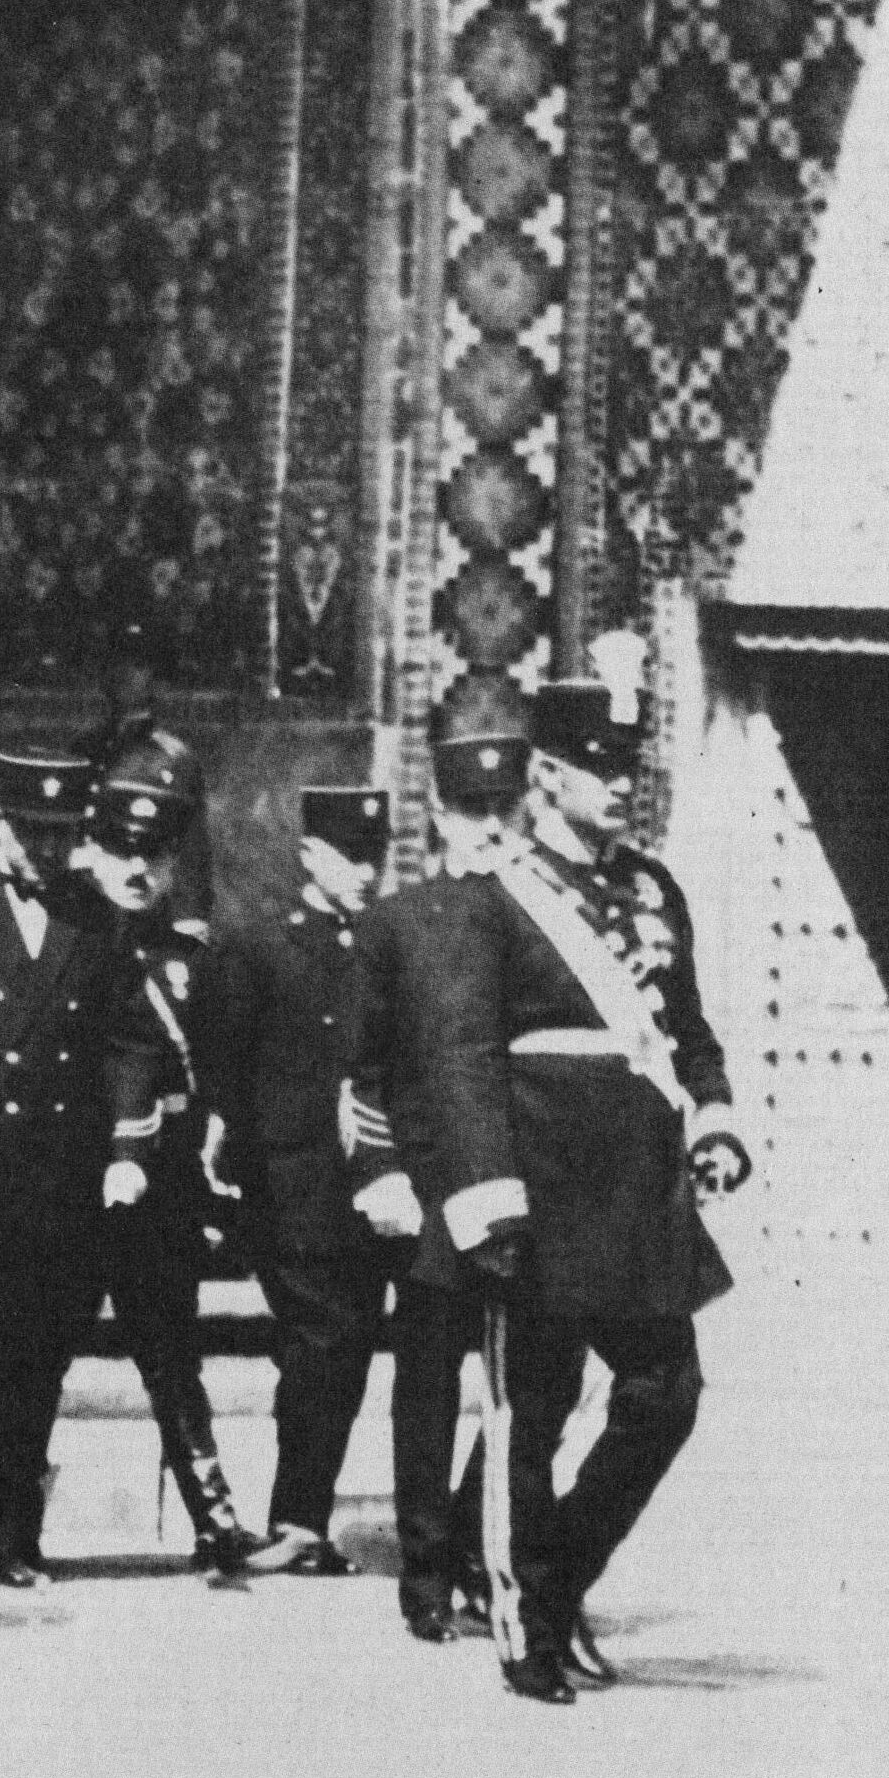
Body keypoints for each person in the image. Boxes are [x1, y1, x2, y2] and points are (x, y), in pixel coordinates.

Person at [413, 659, 750, 1703]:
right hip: (542, 1188)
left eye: (629, 767)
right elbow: (464, 1058)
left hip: (642, 1195)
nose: (621, 785)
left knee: (665, 1396)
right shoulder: (492, 901)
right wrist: (487, 1193)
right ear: (547, 777)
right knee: (533, 1410)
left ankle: (554, 1582)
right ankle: (523, 1626)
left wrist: (715, 1116)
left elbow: (688, 1032)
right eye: (600, 768)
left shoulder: (653, 892)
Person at [0, 747, 160, 1586]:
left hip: (59, 1175)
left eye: (61, 834)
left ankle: (3, 1538)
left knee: (35, 1363)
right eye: (31, 833)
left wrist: (127, 1147)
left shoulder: (98, 919)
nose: (47, 851)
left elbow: (129, 1040)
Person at [337, 684, 535, 1642]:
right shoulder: (396, 924)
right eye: (471, 809)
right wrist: (380, 1176)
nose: (489, 827)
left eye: (504, 808)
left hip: (532, 1188)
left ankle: (475, 1542)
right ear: (440, 815)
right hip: (430, 1191)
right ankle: (424, 1567)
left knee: (535, 1386)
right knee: (428, 1387)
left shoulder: (545, 919)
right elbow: (361, 1069)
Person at [206, 786, 404, 1577]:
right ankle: (297, 1520)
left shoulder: (390, 943)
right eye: (349, 856)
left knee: (342, 1349)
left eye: (373, 855)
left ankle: (303, 1520)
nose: (365, 871)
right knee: (323, 1343)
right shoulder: (261, 947)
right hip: (292, 1183)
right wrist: (239, 1166)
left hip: (373, 1181)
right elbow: (225, 1063)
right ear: (310, 855)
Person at [90, 741, 262, 1572]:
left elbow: (219, 1075)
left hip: (160, 1192)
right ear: (92, 849)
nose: (136, 870)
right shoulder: (63, 947)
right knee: (27, 1358)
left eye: (153, 856)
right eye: (121, 850)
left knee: (172, 1358)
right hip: (67, 1183)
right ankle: (0, 1526)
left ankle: (213, 1518)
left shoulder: (192, 963)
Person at [75, 617, 211, 935]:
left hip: (149, 904)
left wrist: (190, 920)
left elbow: (192, 849)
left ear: (153, 678)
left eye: (137, 665)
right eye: (116, 663)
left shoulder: (175, 759)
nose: (123, 673)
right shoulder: (83, 748)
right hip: (88, 905)